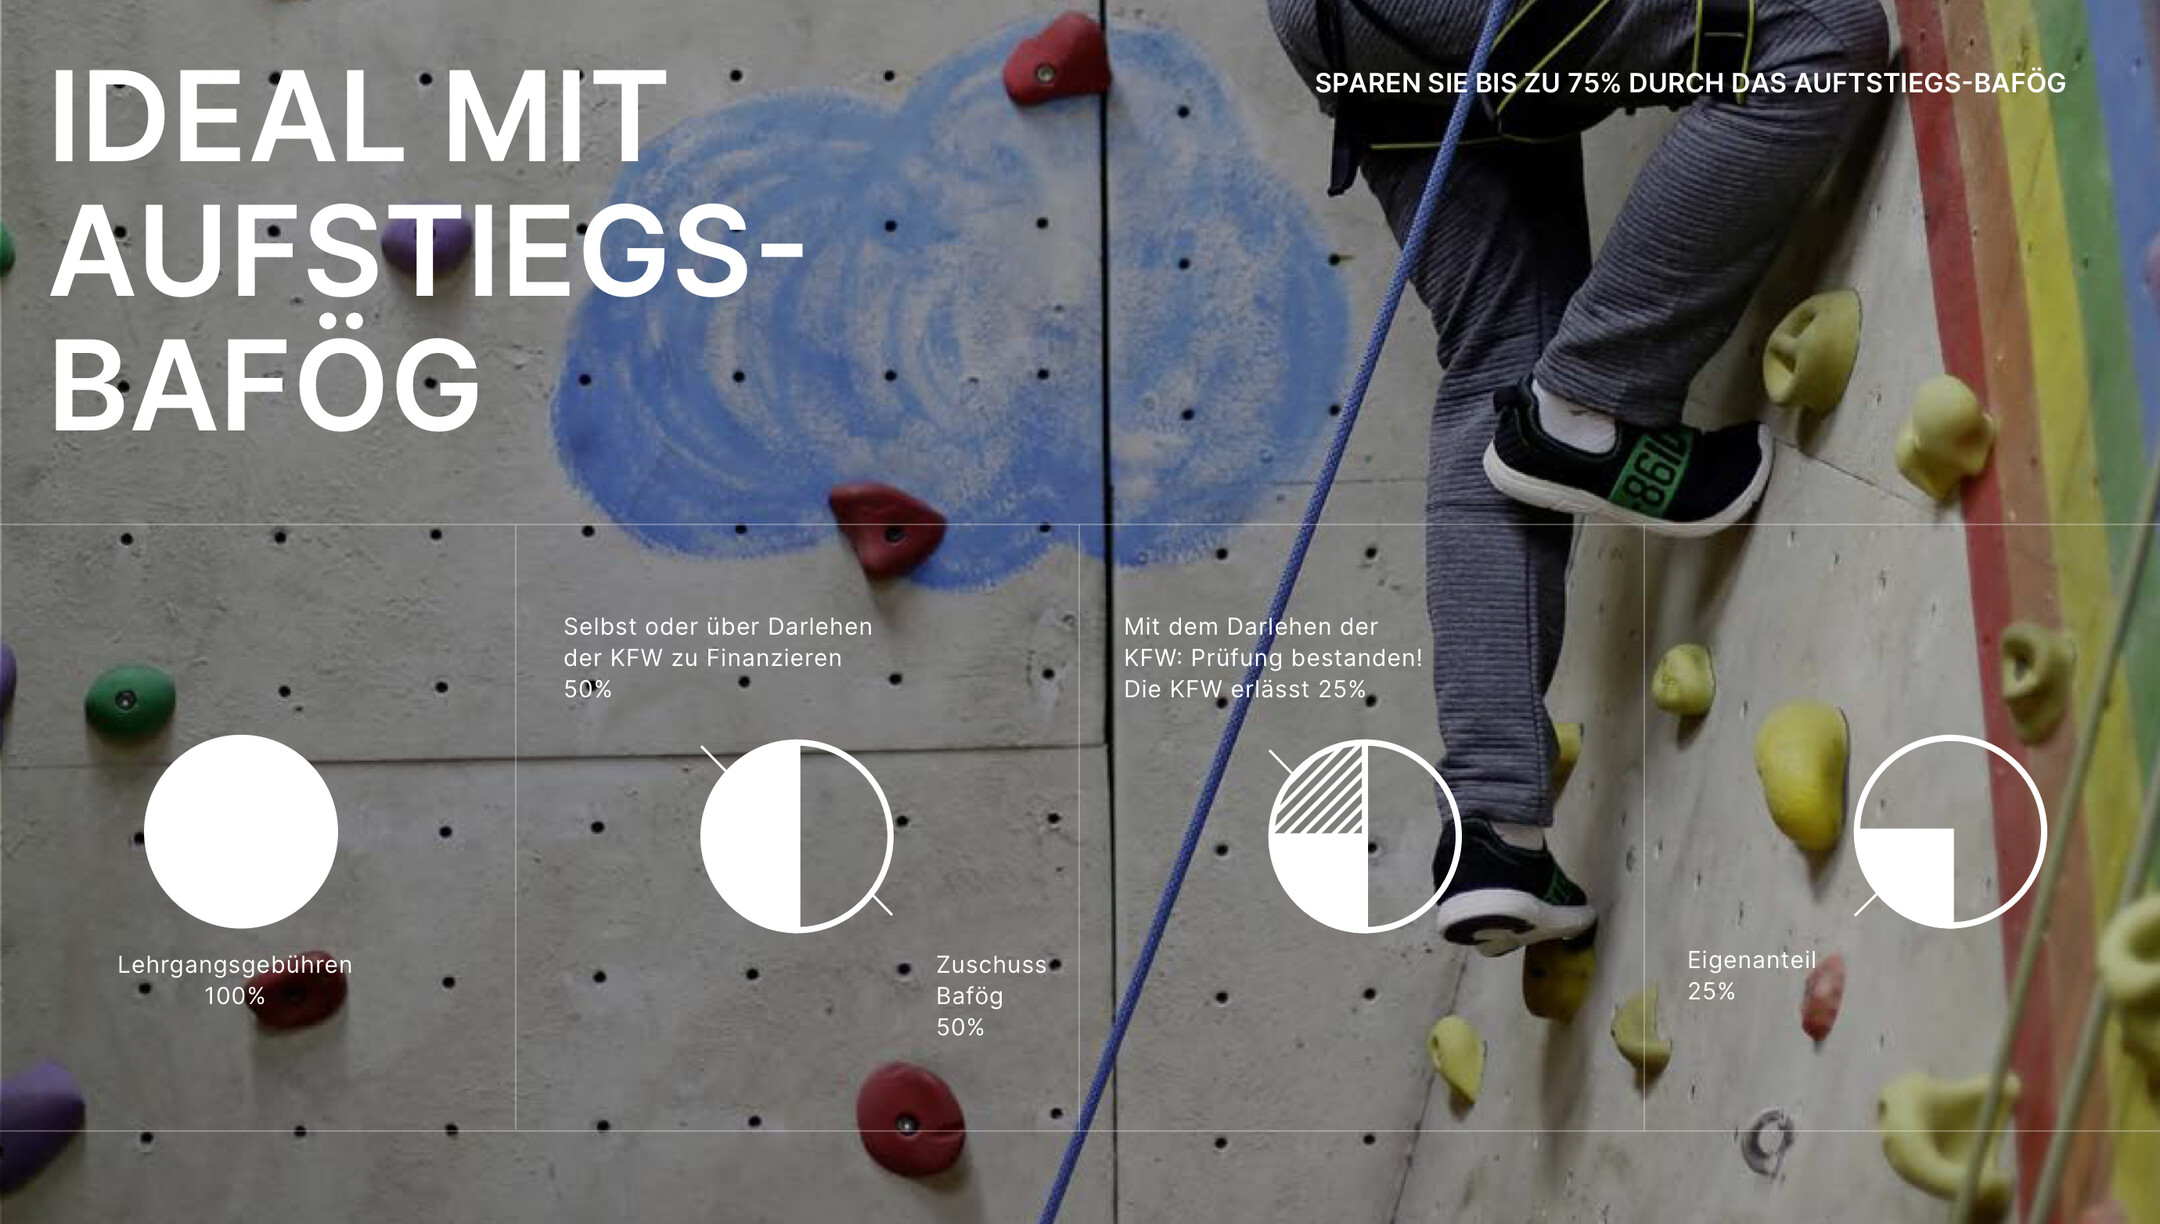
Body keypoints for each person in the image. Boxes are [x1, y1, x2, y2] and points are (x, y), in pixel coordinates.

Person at [1268, 0, 1890, 952]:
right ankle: (1595, 409)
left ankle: (1494, 832)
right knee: (1811, 35)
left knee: (1499, 357)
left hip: (1337, 30)